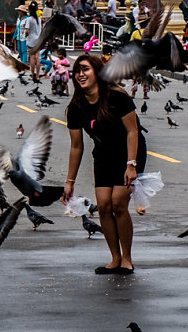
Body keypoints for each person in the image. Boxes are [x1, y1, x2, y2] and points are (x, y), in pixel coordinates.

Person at [63, 54, 145, 275]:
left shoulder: (118, 98)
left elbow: (133, 131)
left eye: (85, 69)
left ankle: (127, 258)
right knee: (104, 205)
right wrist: (69, 182)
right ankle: (114, 258)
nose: (80, 74)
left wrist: (131, 164)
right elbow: (76, 147)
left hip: (128, 154)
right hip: (103, 156)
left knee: (118, 202)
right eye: (77, 71)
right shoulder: (76, 108)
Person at [24, 2, 43, 81]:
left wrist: (26, 35)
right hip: (38, 40)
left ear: (29, 10)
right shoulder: (39, 19)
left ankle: (32, 74)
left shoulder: (29, 19)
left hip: (31, 40)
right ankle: (38, 75)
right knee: (37, 58)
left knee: (32, 57)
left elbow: (27, 31)